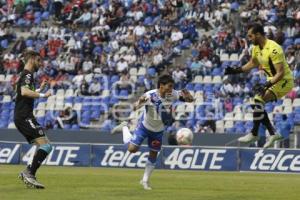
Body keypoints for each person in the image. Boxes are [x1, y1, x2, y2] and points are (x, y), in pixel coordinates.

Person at [111, 74, 193, 190]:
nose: (171, 89)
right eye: (169, 86)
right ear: (161, 86)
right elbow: (134, 107)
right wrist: (139, 102)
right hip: (144, 126)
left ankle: (145, 181)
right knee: (132, 149)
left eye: (172, 87)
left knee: (153, 154)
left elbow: (189, 100)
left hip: (158, 131)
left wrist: (189, 96)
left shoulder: (172, 94)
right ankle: (124, 127)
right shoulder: (149, 96)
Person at [225, 23, 294, 148]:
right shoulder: (256, 48)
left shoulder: (274, 48)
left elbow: (280, 73)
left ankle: (256, 133)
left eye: (250, 36)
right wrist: (236, 70)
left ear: (258, 35)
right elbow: (252, 63)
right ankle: (271, 133)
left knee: (258, 99)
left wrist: (266, 85)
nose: (249, 39)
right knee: (257, 101)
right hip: (274, 81)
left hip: (284, 81)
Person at [14, 50, 52, 189]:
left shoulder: (24, 75)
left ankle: (28, 171)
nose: (40, 64)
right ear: (32, 60)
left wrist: (38, 88)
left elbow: (21, 93)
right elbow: (24, 92)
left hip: (23, 116)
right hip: (24, 116)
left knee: (45, 144)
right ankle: (29, 173)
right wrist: (42, 94)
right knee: (46, 145)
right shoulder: (28, 74)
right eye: (39, 61)